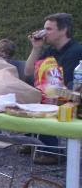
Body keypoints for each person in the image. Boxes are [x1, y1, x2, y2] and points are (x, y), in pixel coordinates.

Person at [24, 13, 81, 164]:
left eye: (48, 29)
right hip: (57, 93)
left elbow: (69, 86)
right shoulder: (52, 50)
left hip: (72, 97)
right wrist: (36, 48)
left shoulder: (75, 51)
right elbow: (28, 72)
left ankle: (52, 151)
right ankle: (33, 139)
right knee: (27, 92)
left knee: (42, 99)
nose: (43, 33)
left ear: (63, 30)